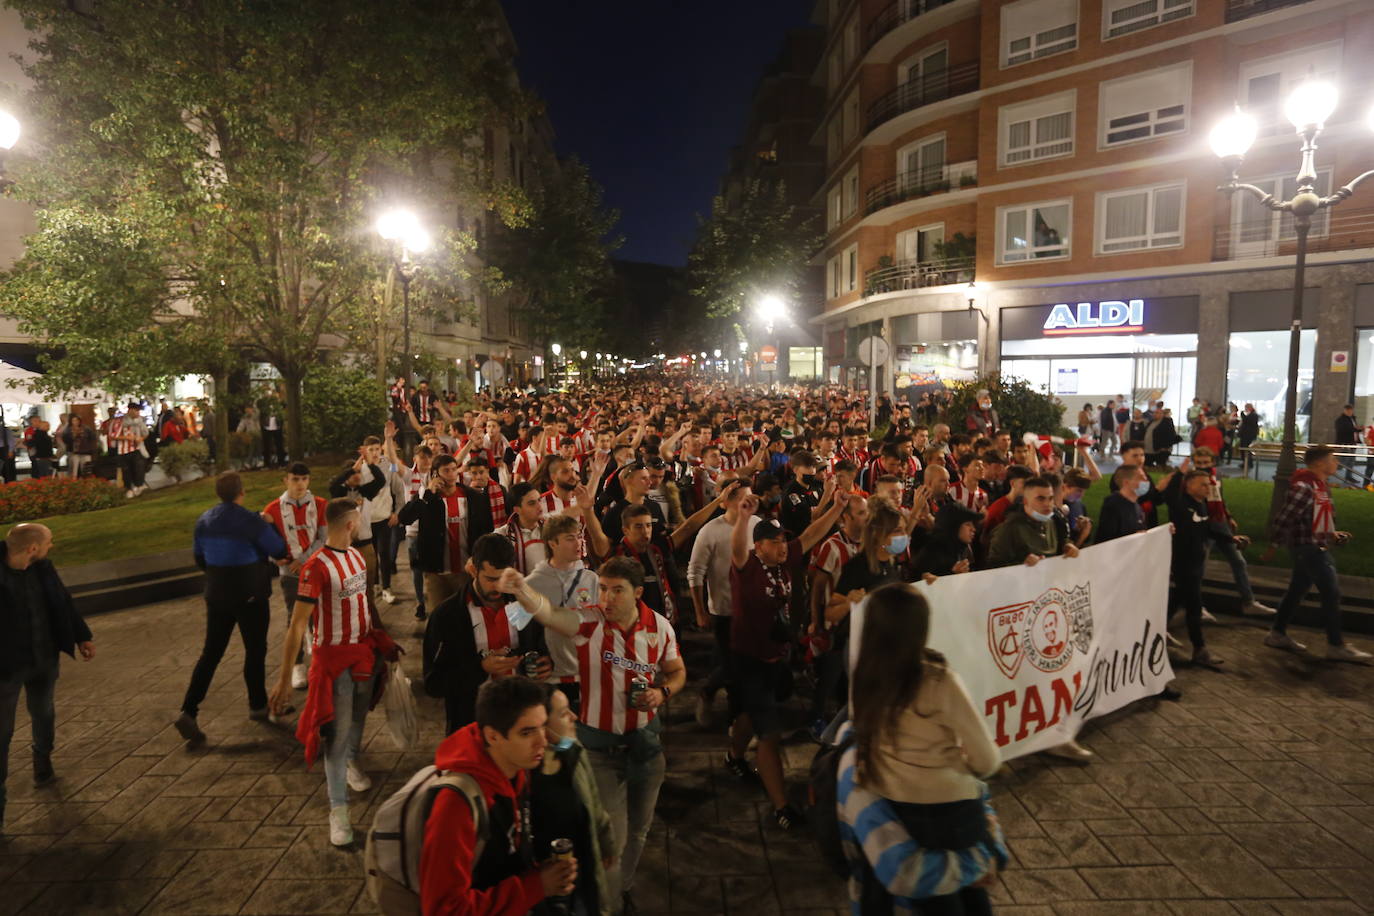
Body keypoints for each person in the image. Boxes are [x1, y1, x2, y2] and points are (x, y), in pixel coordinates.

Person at [499, 556, 686, 913]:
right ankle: (609, 903)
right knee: (610, 839)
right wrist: (522, 588)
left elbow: (676, 670)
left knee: (639, 832)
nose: (607, 598)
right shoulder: (589, 622)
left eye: (617, 590)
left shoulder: (659, 628)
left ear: (638, 593)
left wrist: (663, 693)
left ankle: (620, 890)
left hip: (645, 748)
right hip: (599, 752)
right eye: (603, 588)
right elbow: (550, 614)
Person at [848, 582, 1000, 914]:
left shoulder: (863, 677)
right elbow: (987, 759)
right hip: (953, 815)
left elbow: (860, 731)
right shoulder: (938, 680)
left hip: (894, 810)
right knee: (973, 889)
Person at [268, 497, 399, 846]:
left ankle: (352, 762)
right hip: (334, 662)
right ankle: (338, 811)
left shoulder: (355, 557)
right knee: (336, 738)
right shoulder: (315, 568)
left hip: (363, 656)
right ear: (351, 524)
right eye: (360, 521)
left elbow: (364, 604)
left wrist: (382, 643)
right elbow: (296, 626)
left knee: (359, 717)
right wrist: (283, 681)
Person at [728, 489, 847, 831]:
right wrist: (740, 517)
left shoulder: (786, 561)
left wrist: (836, 506)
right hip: (749, 658)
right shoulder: (747, 566)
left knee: (754, 711)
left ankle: (733, 755)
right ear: (759, 546)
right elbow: (737, 548)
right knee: (770, 733)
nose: (783, 547)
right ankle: (782, 806)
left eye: (783, 541)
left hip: (777, 655)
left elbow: (810, 535)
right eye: (775, 541)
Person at [418, 677, 578, 914]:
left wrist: (539, 873)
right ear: (492, 736)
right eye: (527, 733)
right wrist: (535, 886)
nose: (542, 742)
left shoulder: (516, 768)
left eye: (543, 727)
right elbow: (445, 909)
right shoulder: (455, 807)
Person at [174, 471, 288, 746]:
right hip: (250, 593)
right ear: (241, 492)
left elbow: (199, 557)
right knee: (255, 648)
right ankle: (257, 704)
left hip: (217, 594)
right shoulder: (252, 521)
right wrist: (270, 524)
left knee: (211, 652)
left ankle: (189, 709)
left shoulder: (204, 521)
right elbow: (279, 550)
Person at [0, 524, 95, 833]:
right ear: (32, 548)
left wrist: (82, 636)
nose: (51, 547)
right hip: (7, 668)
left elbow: (63, 601)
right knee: (3, 732)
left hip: (44, 659)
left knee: (44, 712)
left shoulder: (43, 568)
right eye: (48, 543)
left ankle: (42, 761)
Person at [422, 533, 544, 733]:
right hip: (471, 723)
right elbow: (433, 683)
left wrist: (544, 662)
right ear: (473, 570)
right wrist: (480, 668)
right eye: (490, 579)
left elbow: (537, 646)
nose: (497, 587)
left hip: (522, 721)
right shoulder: (448, 616)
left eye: (503, 578)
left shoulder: (523, 603)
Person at [1264, 446, 1372, 663]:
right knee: (1331, 594)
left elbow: (1315, 517)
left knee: (1297, 589)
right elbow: (1285, 518)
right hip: (1309, 549)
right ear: (1320, 463)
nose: (1336, 464)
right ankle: (1336, 645)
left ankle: (1277, 633)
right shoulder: (1305, 487)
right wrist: (1274, 546)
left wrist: (1332, 533)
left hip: (1314, 545)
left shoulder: (1318, 485)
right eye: (1333, 459)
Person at [531, 685, 616, 916]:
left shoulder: (573, 752)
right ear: (542, 725)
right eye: (563, 713)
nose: (574, 717)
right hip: (542, 893)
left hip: (581, 874)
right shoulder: (525, 777)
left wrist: (605, 840)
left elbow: (593, 802)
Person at [262, 462, 329, 691]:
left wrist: (304, 559)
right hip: (289, 573)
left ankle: (320, 658)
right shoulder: (272, 509)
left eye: (304, 479)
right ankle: (297, 665)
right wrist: (276, 558)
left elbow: (323, 538)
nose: (300, 484)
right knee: (294, 618)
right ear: (286, 481)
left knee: (318, 614)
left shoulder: (319, 504)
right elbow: (266, 542)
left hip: (315, 569)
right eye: (295, 479)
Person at [1186, 448, 1275, 617]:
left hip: (1220, 522)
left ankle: (1248, 601)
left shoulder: (1215, 475)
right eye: (1199, 463)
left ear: (1212, 462)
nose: (1202, 466)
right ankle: (1195, 605)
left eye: (1206, 462)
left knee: (1238, 561)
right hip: (1204, 525)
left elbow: (1219, 497)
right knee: (1200, 566)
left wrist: (1228, 516)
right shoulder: (1191, 479)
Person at [525, 513, 600, 713]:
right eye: (570, 538)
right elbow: (520, 630)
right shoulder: (531, 584)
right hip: (551, 679)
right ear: (552, 543)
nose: (579, 542)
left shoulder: (592, 580)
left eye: (579, 536)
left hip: (589, 675)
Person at [1162, 470, 1235, 668]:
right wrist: (1179, 473)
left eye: (1208, 485)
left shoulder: (1201, 505)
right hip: (1183, 563)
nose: (1207, 489)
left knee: (1176, 600)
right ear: (1189, 485)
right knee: (1194, 607)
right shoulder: (1179, 505)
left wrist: (1230, 539)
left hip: (1196, 561)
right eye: (1202, 484)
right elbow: (1168, 494)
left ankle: (1156, 633)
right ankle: (1199, 649)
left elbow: (1207, 529)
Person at [109, 401, 149, 497]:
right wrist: (127, 438)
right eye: (136, 411)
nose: (138, 413)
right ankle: (130, 488)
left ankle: (139, 485)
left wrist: (140, 439)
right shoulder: (120, 421)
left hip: (136, 448)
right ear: (130, 410)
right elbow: (113, 435)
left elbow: (145, 433)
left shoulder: (139, 421)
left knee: (139, 468)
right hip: (123, 451)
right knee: (127, 471)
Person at [62, 414, 97, 478]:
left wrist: (91, 448)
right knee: (74, 469)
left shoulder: (86, 429)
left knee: (86, 469)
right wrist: (74, 435)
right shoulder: (68, 430)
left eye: (77, 420)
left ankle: (87, 482)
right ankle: (75, 482)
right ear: (71, 421)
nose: (75, 422)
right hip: (74, 452)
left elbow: (93, 438)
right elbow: (65, 440)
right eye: (73, 420)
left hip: (86, 451)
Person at [1335, 403, 1360, 485]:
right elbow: (1342, 430)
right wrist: (1355, 429)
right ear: (1345, 410)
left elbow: (1354, 429)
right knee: (1343, 460)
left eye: (1351, 410)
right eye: (1348, 410)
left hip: (1352, 443)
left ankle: (1349, 476)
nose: (1350, 412)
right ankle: (1330, 473)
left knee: (1351, 461)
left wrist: (1358, 430)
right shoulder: (1340, 420)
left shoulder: (1353, 419)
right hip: (1345, 443)